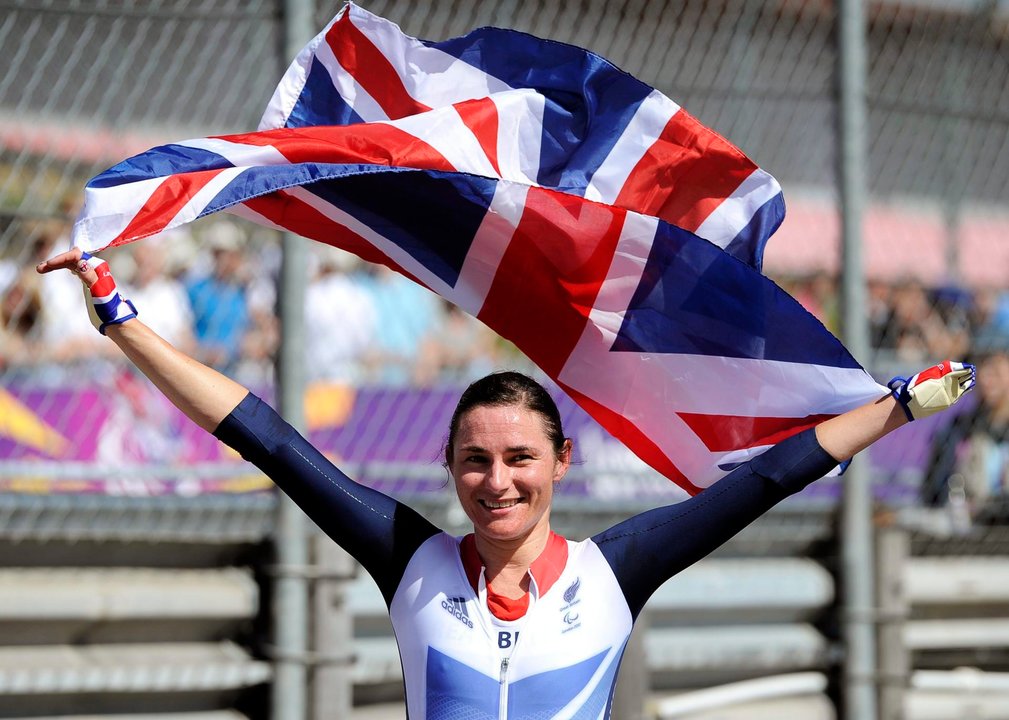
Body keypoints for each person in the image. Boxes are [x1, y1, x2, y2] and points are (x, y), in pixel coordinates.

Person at [37, 247, 975, 719]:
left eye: (520, 459)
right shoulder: (409, 559)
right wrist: (122, 322)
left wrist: (902, 403)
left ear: (561, 463)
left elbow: (770, 476)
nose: (497, 482)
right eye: (476, 460)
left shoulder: (617, 568)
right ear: (448, 467)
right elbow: (271, 443)